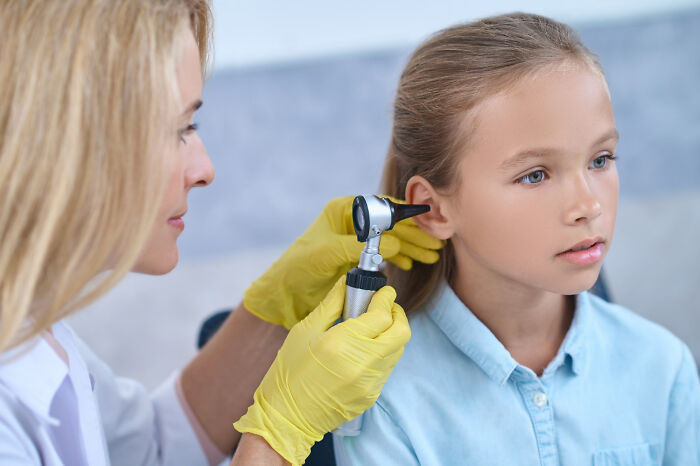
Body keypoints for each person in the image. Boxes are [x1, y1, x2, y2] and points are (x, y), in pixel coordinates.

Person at [0, 1, 443, 466]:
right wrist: (280, 432)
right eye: (180, 129)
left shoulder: (29, 323)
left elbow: (149, 449)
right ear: (63, 142)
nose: (205, 170)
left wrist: (276, 309)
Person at [333, 12, 700, 465]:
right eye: (536, 175)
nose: (588, 205)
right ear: (435, 208)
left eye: (601, 160)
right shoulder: (382, 399)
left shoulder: (662, 368)